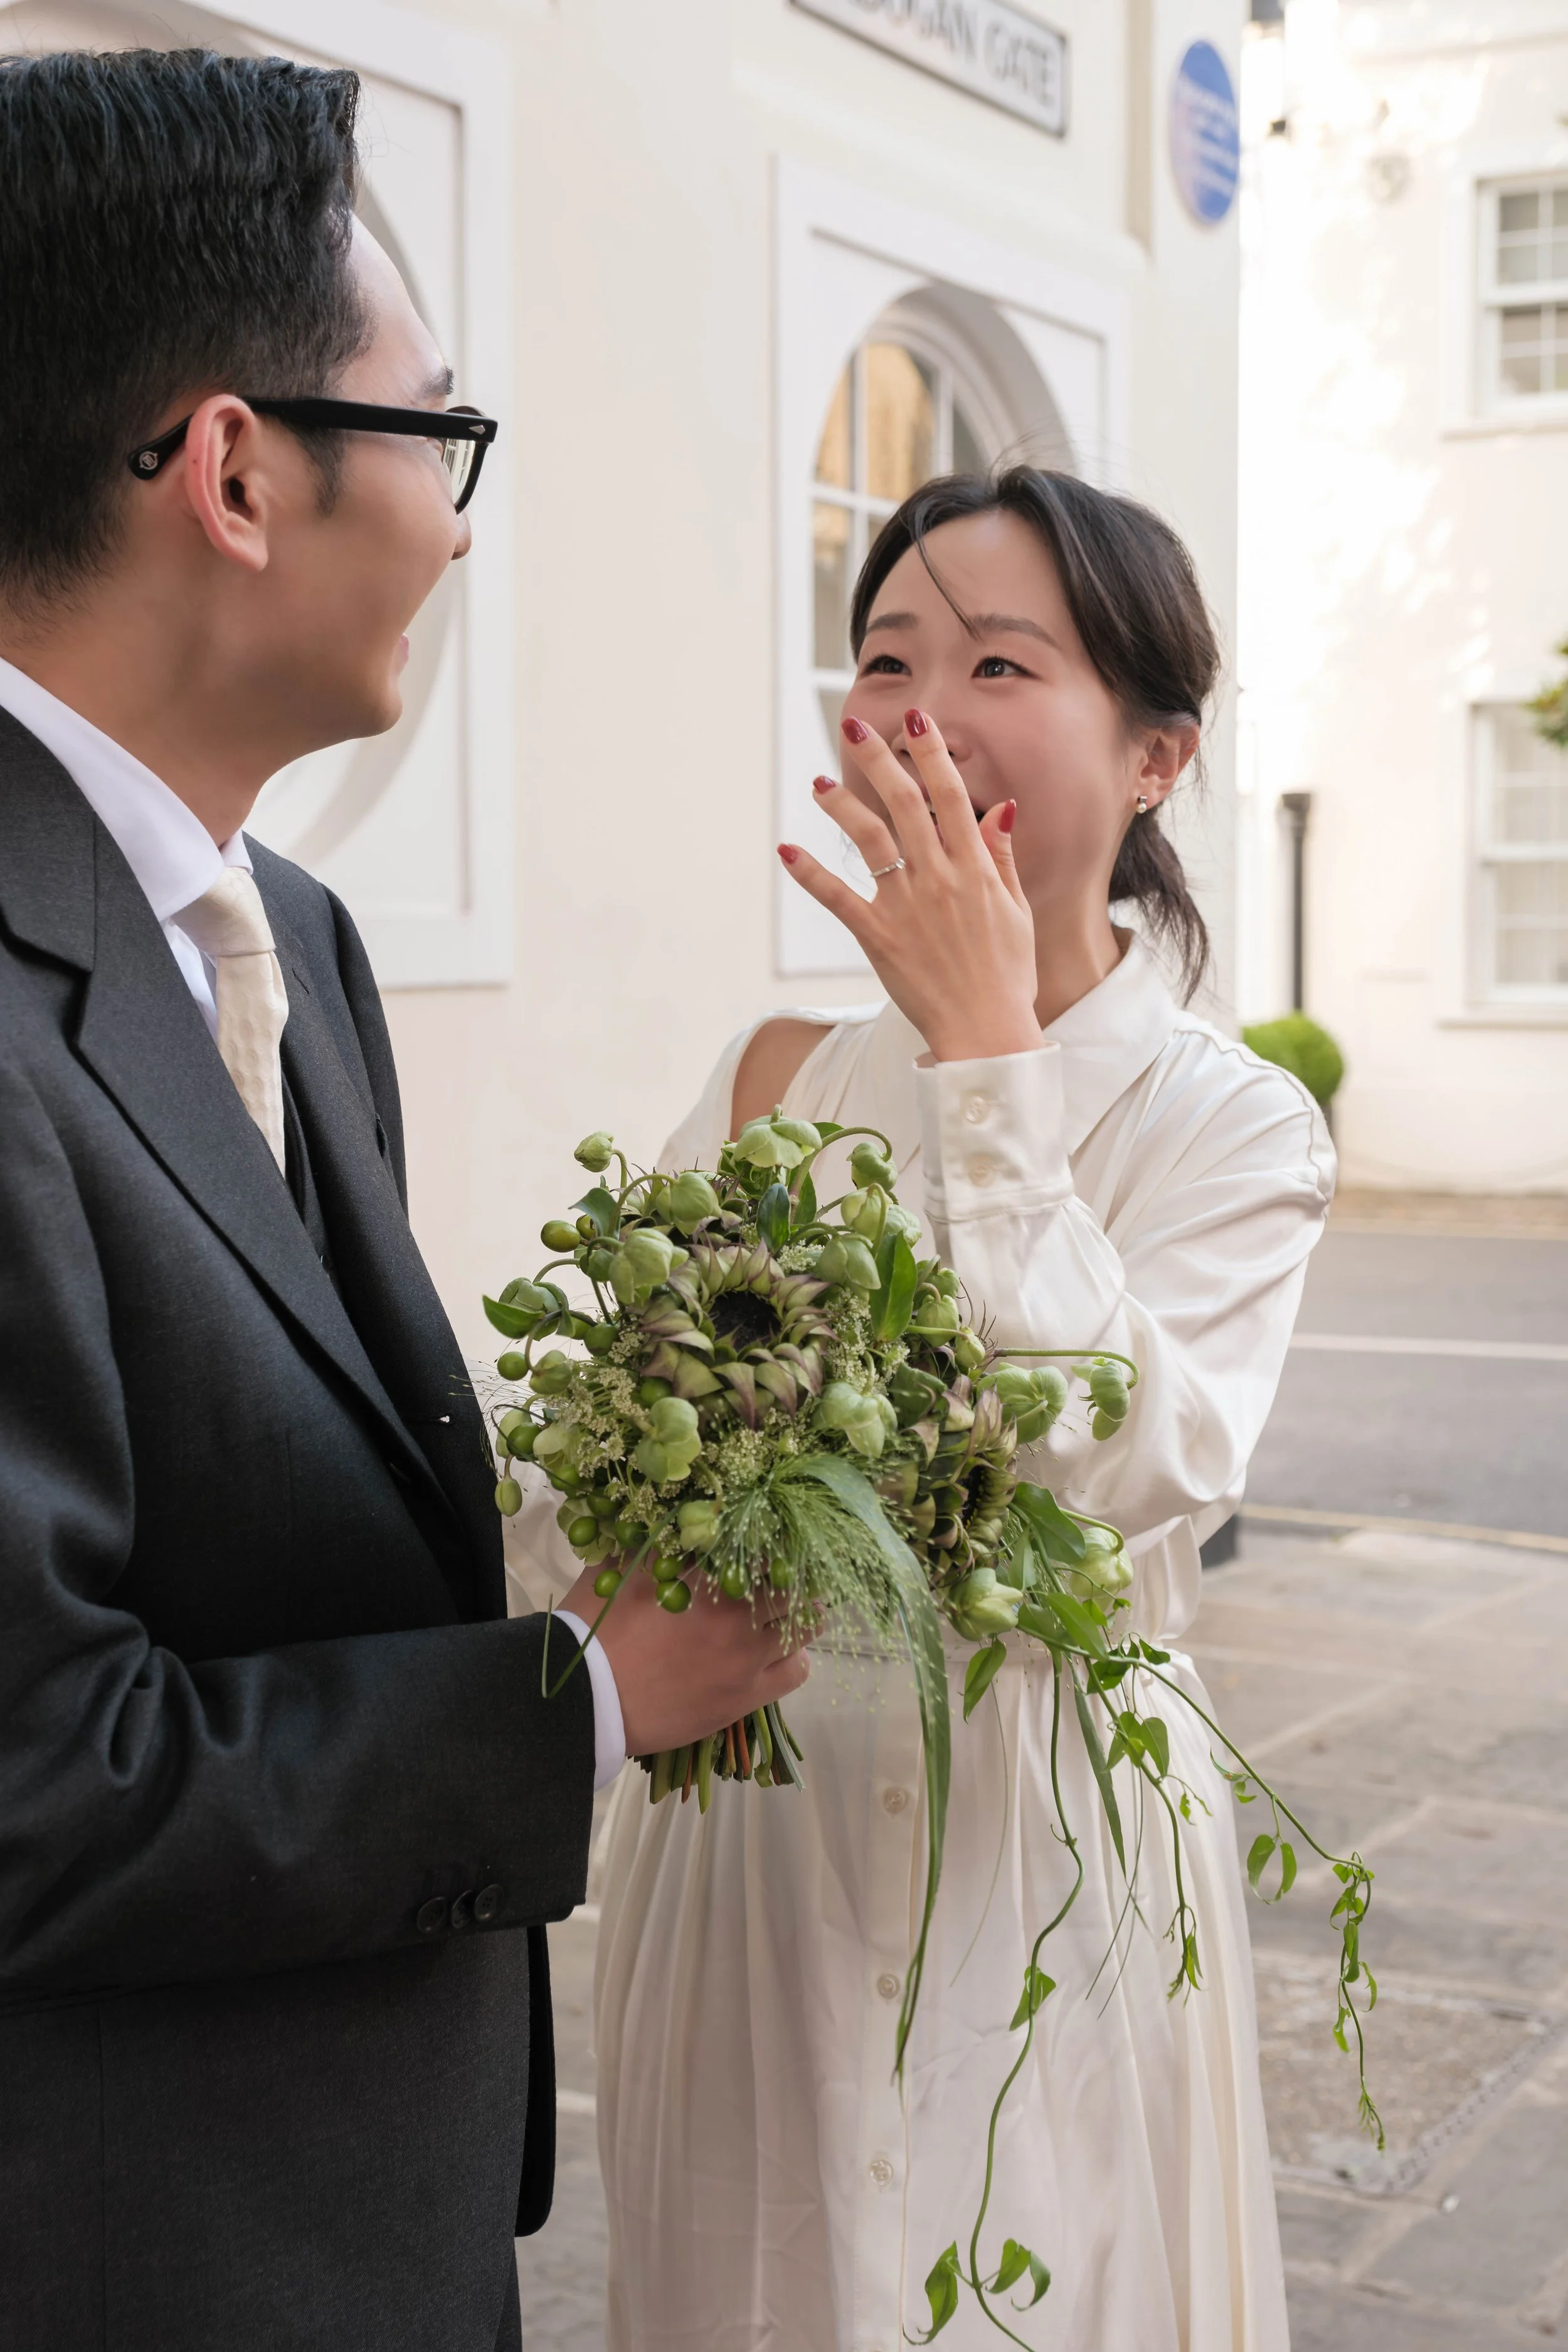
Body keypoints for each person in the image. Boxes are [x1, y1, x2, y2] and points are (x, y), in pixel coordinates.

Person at [0, 49, 805, 2352]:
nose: (463, 524)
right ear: (237, 472)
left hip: (360, 2208)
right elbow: (39, 1781)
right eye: (440, 439)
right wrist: (578, 1701)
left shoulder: (294, 940)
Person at [539, 469, 1335, 2349]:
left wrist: (990, 1060)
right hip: (759, 1839)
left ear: (1153, 754)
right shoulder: (773, 1081)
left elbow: (1118, 1459)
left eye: (996, 659)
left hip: (1050, 1849)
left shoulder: (1231, 1124)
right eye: (883, 655)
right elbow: (605, 1474)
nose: (918, 705)